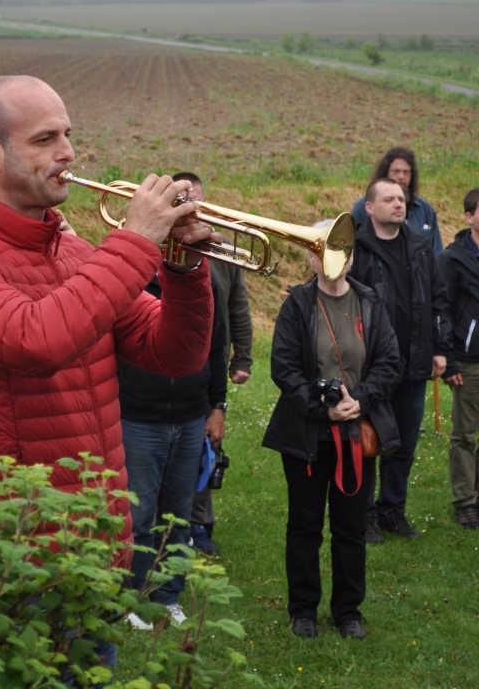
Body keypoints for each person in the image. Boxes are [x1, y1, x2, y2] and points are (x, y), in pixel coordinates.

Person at [0, 74, 215, 549]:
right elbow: (36, 343)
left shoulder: (76, 256)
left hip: (100, 533)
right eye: (45, 139)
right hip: (16, 545)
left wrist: (185, 269)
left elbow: (175, 356)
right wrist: (135, 241)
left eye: (67, 135)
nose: (68, 152)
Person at [262, 227, 400, 640]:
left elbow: (389, 362)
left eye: (341, 250)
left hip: (355, 436)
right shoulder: (297, 304)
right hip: (307, 438)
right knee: (304, 526)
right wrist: (322, 410)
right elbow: (283, 368)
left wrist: (360, 401)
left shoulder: (370, 303)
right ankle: (303, 610)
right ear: (309, 258)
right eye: (321, 251)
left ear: (353, 257)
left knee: (351, 527)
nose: (332, 258)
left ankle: (348, 612)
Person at [119, 261, 228, 628]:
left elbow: (217, 344)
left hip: (190, 414)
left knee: (179, 517)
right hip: (137, 414)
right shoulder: (128, 273)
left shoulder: (205, 277)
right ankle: (132, 599)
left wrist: (217, 407)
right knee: (139, 516)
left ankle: (168, 597)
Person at [351, 178, 451, 542]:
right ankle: (365, 518)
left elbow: (438, 300)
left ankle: (394, 512)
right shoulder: (356, 248)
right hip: (371, 367)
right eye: (389, 199)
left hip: (415, 362)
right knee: (369, 442)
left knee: (404, 445)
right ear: (369, 208)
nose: (399, 204)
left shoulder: (422, 247)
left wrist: (440, 350)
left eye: (402, 199)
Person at [171, 172, 254, 556]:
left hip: (210, 359)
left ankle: (200, 525)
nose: (190, 206)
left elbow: (237, 307)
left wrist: (244, 358)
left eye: (195, 200)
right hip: (164, 361)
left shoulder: (223, 252)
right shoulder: (158, 243)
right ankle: (168, 526)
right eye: (181, 199)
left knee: (206, 444)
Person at [439, 188, 479, 528]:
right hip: (469, 360)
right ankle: (466, 501)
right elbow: (443, 310)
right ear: (469, 217)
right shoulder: (454, 258)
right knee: (465, 434)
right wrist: (447, 360)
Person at [352, 146, 443, 256]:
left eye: (406, 172)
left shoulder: (426, 209)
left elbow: (437, 254)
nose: (401, 177)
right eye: (396, 171)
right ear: (385, 172)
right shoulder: (364, 207)